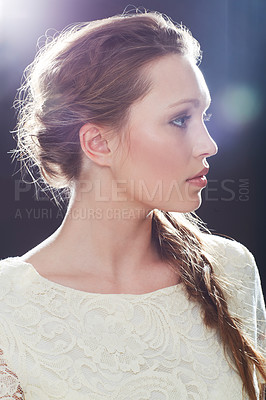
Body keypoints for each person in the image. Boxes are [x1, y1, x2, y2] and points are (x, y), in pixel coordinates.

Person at [0, 10, 265, 400]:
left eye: (203, 115)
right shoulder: (8, 307)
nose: (209, 144)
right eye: (179, 119)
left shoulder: (229, 271)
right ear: (98, 144)